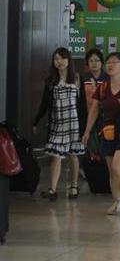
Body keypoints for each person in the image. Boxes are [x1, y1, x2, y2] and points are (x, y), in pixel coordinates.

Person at [82, 52, 120, 216]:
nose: (110, 65)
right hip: (107, 132)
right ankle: (116, 201)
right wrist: (87, 131)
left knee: (117, 166)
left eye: (114, 62)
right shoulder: (102, 88)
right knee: (111, 170)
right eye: (108, 62)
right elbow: (94, 110)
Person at [33, 48, 85, 201]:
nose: (59, 61)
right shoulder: (51, 81)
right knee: (55, 155)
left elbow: (82, 105)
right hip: (57, 124)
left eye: (62, 58)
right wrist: (36, 121)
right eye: (56, 59)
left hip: (74, 124)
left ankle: (74, 186)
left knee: (73, 155)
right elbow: (44, 104)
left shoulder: (77, 79)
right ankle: (52, 190)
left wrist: (85, 127)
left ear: (69, 60)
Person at [78, 49, 109, 136]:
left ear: (101, 62)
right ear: (87, 63)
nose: (94, 63)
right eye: (91, 61)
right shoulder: (83, 78)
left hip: (104, 115)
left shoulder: (108, 78)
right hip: (87, 115)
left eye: (96, 60)